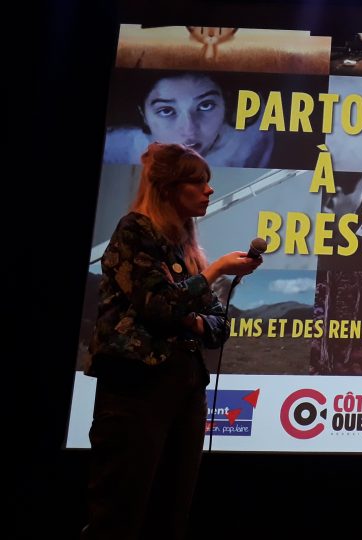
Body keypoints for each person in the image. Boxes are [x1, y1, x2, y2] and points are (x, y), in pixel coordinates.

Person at [82, 142, 262, 539]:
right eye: (198, 182)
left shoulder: (186, 250)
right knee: (120, 514)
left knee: (171, 516)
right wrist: (213, 273)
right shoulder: (134, 231)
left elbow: (218, 326)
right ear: (168, 187)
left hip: (185, 388)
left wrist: (191, 315)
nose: (209, 190)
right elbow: (158, 306)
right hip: (135, 388)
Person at [103, 71, 274, 168]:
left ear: (226, 103)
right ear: (143, 114)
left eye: (206, 105)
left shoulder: (251, 137)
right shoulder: (115, 150)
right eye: (166, 110)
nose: (189, 130)